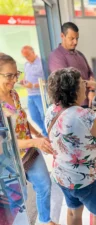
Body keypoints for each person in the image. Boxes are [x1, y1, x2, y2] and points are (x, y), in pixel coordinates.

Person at [45, 67, 96, 225]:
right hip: (92, 178)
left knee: (73, 213)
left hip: (64, 176)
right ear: (74, 90)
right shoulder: (87, 116)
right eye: (82, 83)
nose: (85, 86)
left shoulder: (51, 111)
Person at [0, 53, 58, 225]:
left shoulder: (14, 94)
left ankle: (45, 220)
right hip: (8, 160)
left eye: (15, 74)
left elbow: (22, 116)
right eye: (8, 75)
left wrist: (38, 134)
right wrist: (35, 141)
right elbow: (5, 143)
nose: (14, 80)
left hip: (27, 150)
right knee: (19, 199)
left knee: (44, 185)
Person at [48, 22, 96, 108]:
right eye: (72, 38)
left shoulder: (80, 54)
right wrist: (90, 83)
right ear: (62, 36)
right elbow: (66, 82)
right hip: (71, 107)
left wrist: (92, 90)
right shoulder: (56, 56)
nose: (75, 42)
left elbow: (90, 74)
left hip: (88, 103)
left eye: (77, 38)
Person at [20, 45, 47, 136]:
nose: (26, 58)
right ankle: (45, 131)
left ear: (33, 52)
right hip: (30, 95)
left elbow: (46, 80)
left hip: (40, 95)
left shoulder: (41, 63)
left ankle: (48, 133)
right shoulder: (26, 64)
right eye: (24, 56)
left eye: (28, 55)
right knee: (34, 117)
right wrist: (24, 81)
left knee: (44, 116)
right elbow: (26, 76)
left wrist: (33, 85)